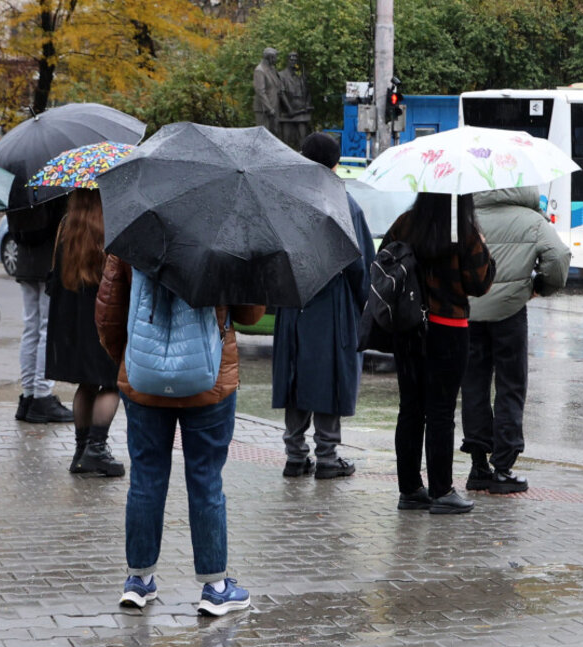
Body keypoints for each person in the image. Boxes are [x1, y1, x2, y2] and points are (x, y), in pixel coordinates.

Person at [95, 254, 265, 616]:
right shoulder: (223, 240)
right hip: (210, 379)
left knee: (145, 478)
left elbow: (108, 313)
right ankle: (216, 587)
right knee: (205, 478)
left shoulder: (133, 237)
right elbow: (251, 314)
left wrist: (129, 362)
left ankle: (138, 582)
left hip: (143, 379)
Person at [384, 192, 495, 514]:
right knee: (441, 412)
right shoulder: (464, 231)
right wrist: (485, 249)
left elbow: (385, 264)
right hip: (448, 328)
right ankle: (442, 490)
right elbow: (479, 282)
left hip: (408, 329)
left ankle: (410, 490)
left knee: (411, 409)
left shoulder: (405, 224)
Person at [272, 133, 375, 480]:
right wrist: (367, 309)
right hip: (333, 305)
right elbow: (361, 266)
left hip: (293, 304)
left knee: (295, 375)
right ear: (336, 164)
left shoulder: (285, 202)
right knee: (330, 377)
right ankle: (328, 456)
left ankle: (295, 454)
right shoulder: (345, 204)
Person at [460, 187, 570, 494]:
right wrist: (540, 285)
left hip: (469, 313)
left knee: (473, 387)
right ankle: (503, 468)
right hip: (510, 313)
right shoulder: (531, 220)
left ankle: (479, 466)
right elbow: (559, 256)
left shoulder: (467, 216)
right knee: (510, 386)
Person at [45, 188, 124, 477]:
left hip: (71, 314)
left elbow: (53, 272)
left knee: (86, 384)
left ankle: (80, 450)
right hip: (103, 315)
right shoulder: (113, 222)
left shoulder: (67, 224)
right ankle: (97, 448)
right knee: (112, 382)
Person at [8, 199, 73, 424]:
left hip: (26, 261)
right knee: (48, 329)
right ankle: (42, 397)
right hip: (49, 262)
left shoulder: (20, 182)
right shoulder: (55, 189)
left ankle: (28, 396)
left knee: (31, 327)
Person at [277, 52, 312, 147]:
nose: (293, 62)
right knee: (285, 141)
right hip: (287, 114)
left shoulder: (300, 77)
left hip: (301, 113)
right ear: (287, 61)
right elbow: (281, 93)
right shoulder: (281, 75)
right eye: (291, 59)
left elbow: (307, 93)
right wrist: (289, 109)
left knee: (302, 139)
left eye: (295, 60)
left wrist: (307, 104)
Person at [252, 47, 281, 134]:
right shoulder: (259, 70)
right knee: (264, 136)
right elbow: (260, 91)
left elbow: (276, 86)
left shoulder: (272, 69)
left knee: (273, 136)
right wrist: (269, 108)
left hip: (274, 108)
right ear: (270, 58)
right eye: (275, 57)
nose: (276, 59)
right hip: (264, 110)